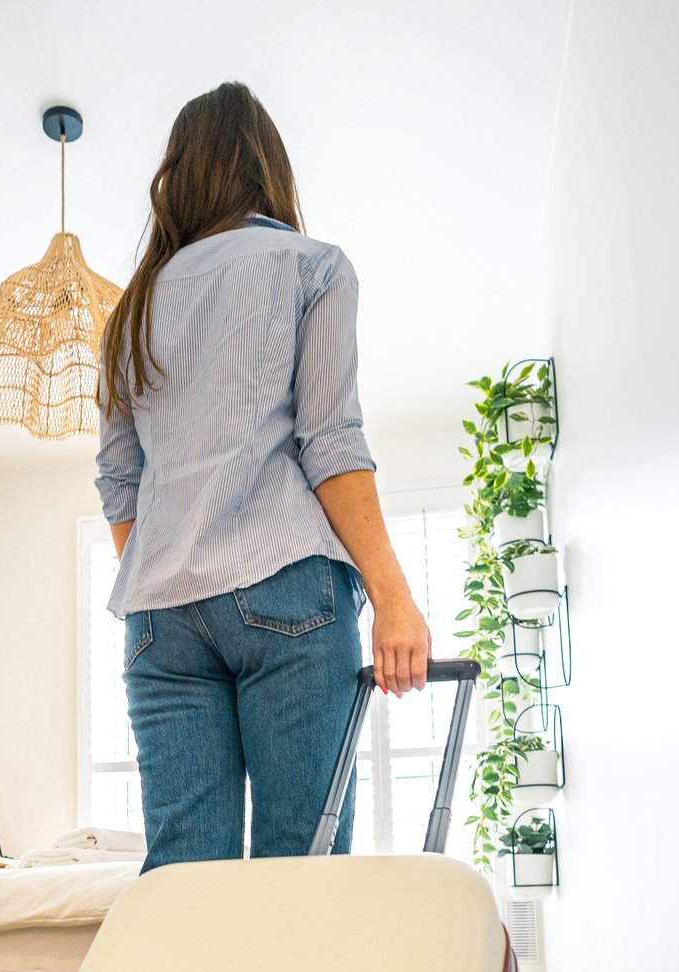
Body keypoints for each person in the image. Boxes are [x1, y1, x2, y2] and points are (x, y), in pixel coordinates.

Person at [96, 81, 432, 870]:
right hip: (284, 587)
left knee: (184, 879)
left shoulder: (131, 312)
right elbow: (331, 441)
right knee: (299, 872)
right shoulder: (309, 266)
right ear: (264, 168)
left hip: (159, 618)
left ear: (180, 177)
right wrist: (393, 597)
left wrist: (173, 575)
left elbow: (119, 483)